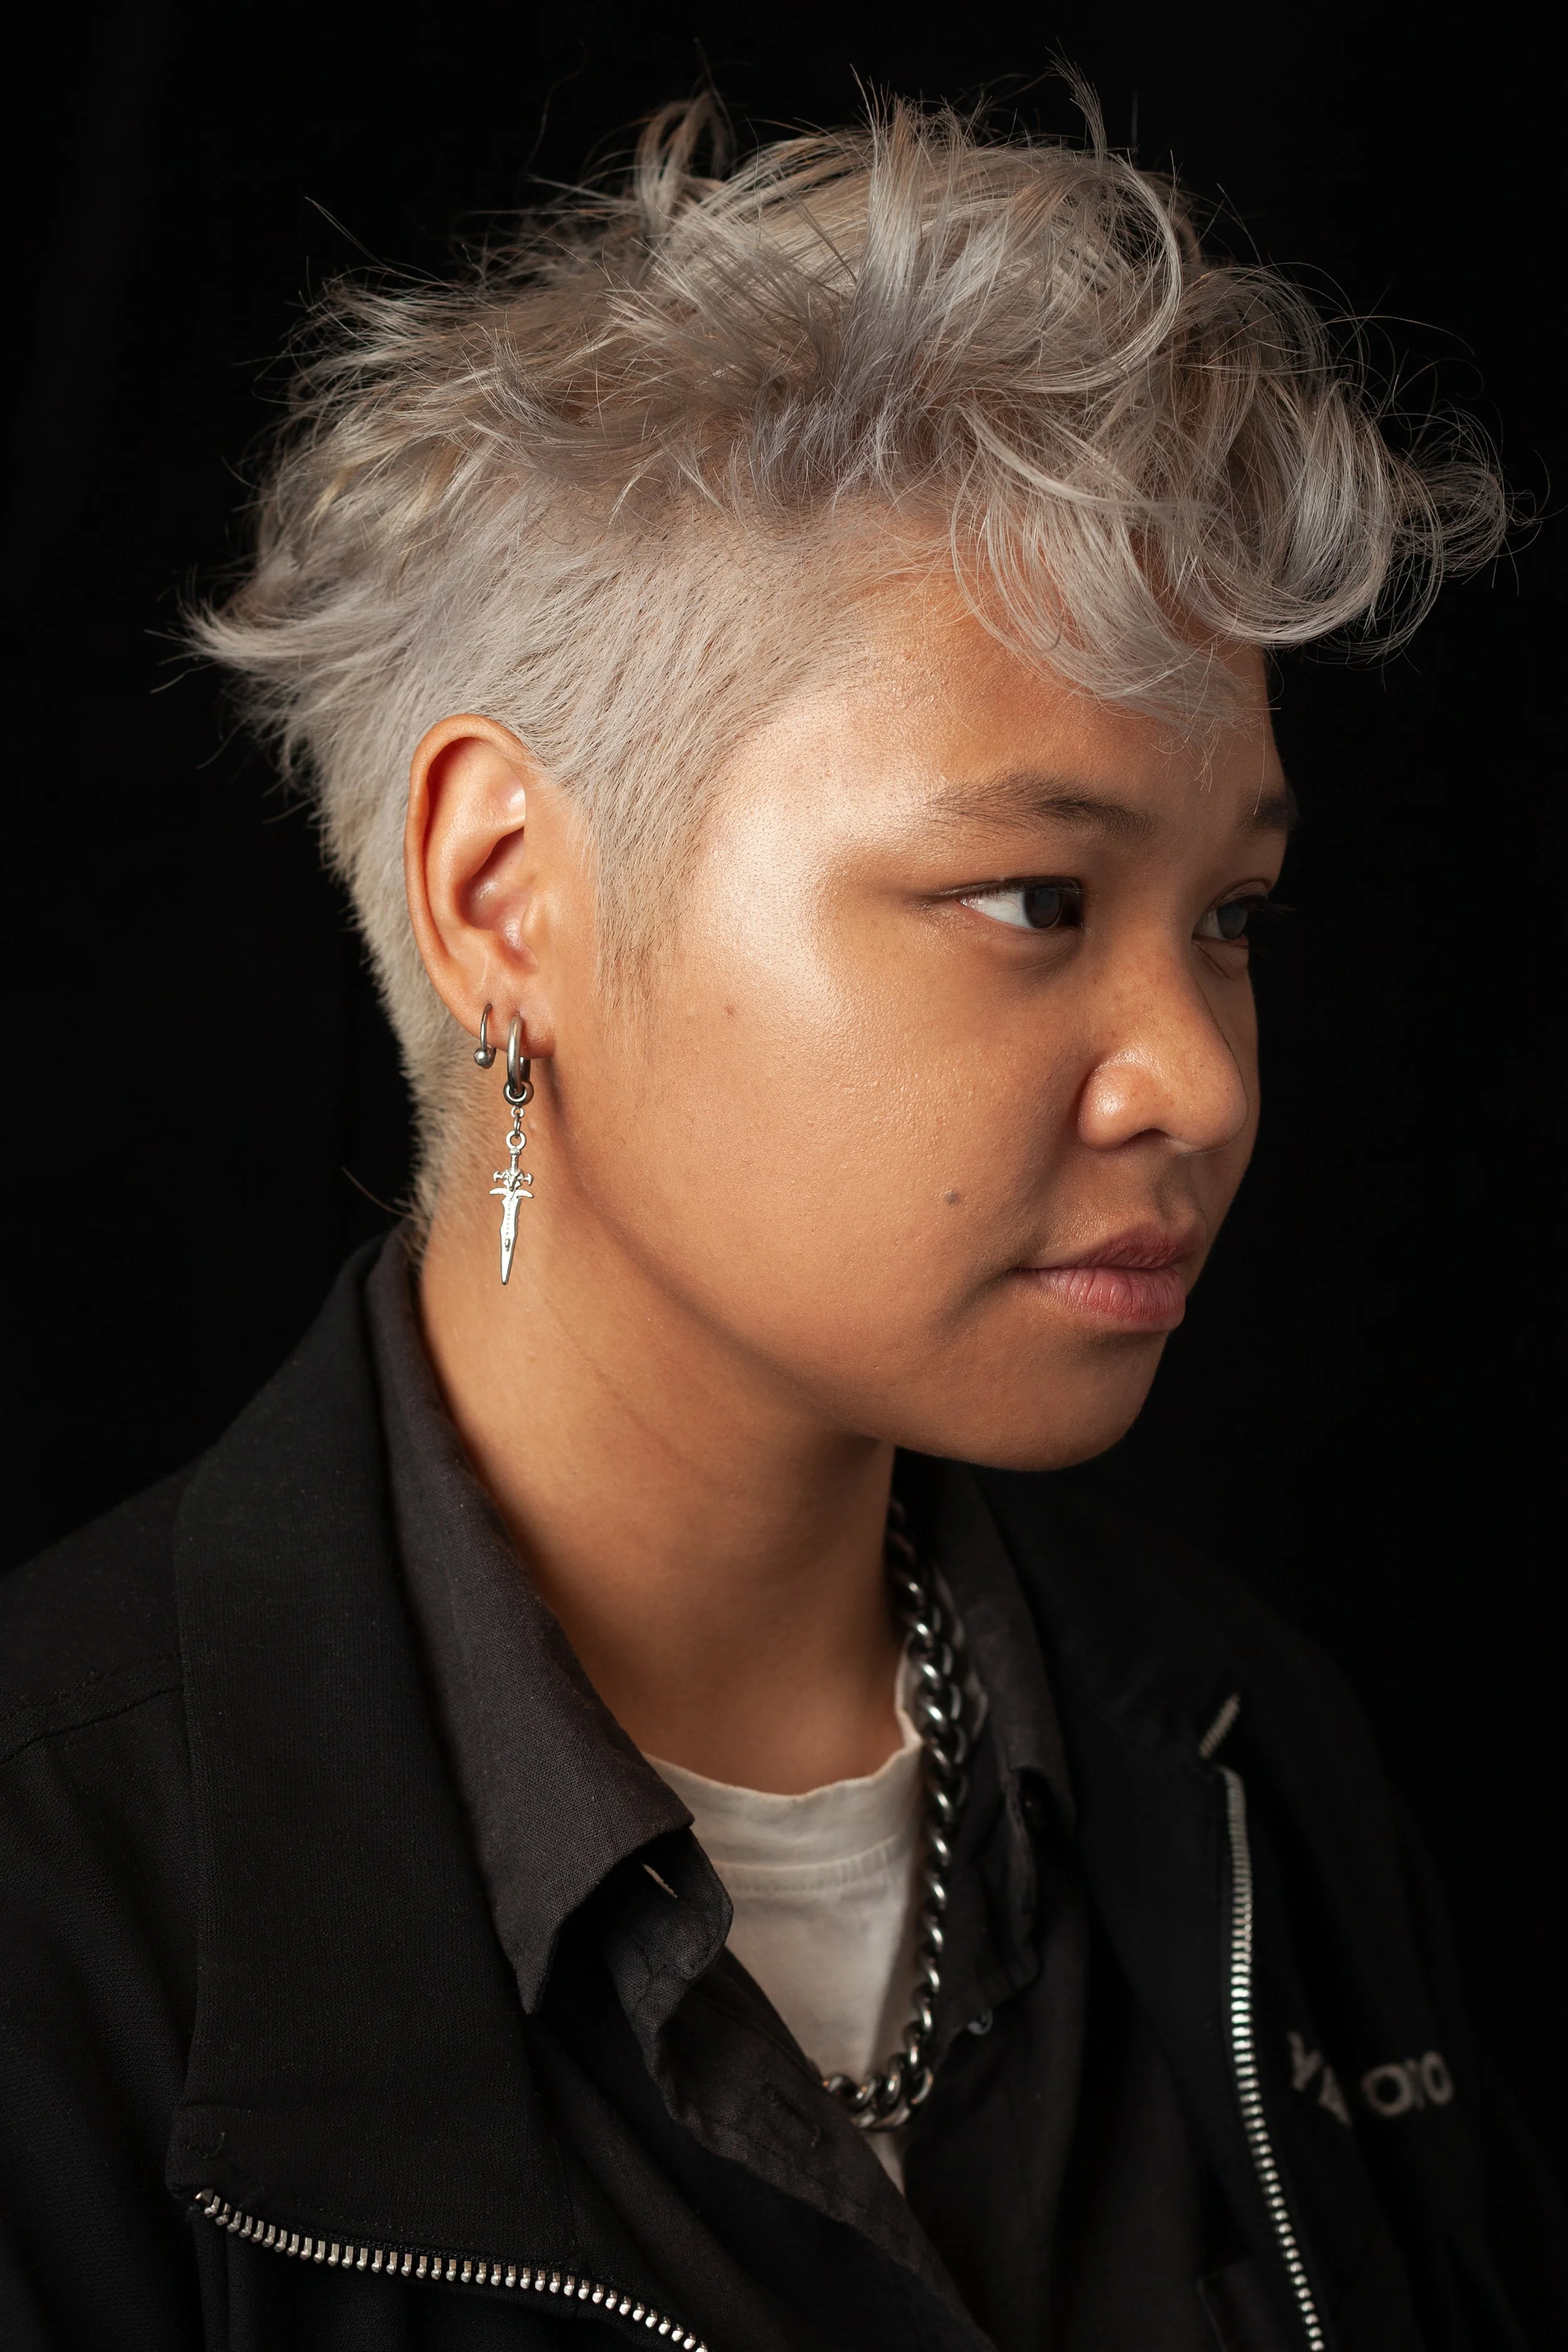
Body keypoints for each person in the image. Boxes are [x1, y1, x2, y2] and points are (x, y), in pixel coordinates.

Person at [1, 93, 1560, 2352]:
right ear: (500, 898)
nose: (1201, 1079)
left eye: (1228, 916)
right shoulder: (59, 1913)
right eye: (1031, 898)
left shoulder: (1234, 1757)